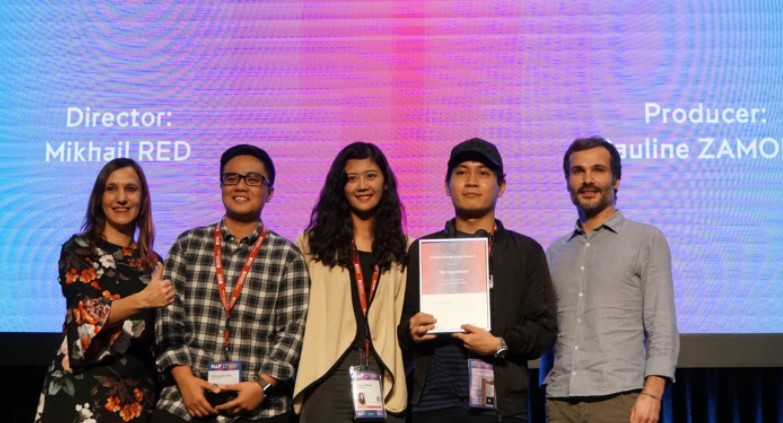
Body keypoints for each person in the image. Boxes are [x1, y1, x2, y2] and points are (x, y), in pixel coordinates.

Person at [398, 137, 558, 422]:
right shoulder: (422, 250)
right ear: (446, 185)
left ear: (502, 186)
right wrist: (411, 330)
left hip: (502, 405)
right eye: (461, 172)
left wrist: (500, 345)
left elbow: (543, 328)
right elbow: (403, 324)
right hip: (433, 403)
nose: (471, 181)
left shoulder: (526, 252)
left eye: (483, 173)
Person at [153, 144, 310, 423]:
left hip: (262, 406)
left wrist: (261, 386)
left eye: (253, 179)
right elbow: (168, 319)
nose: (241, 186)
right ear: (221, 186)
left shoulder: (287, 256)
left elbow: (293, 331)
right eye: (231, 178)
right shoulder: (188, 245)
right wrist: (185, 382)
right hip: (187, 401)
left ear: (270, 192)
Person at [543, 136, 679, 423]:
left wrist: (653, 394)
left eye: (598, 170)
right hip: (560, 401)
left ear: (616, 180)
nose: (587, 179)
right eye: (578, 171)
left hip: (621, 399)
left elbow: (662, 325)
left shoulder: (646, 240)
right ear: (567, 181)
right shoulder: (555, 252)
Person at [35, 158, 175, 423]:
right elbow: (85, 315)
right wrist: (144, 299)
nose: (121, 198)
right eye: (111, 189)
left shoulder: (154, 263)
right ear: (99, 199)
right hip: (81, 390)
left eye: (130, 189)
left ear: (143, 199)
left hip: (137, 397)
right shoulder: (79, 249)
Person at [293, 142, 409, 423]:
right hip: (326, 372)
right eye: (351, 178)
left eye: (371, 176)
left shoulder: (405, 248)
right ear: (340, 187)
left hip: (385, 373)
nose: (362, 186)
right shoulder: (312, 244)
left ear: (385, 182)